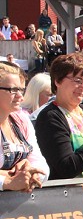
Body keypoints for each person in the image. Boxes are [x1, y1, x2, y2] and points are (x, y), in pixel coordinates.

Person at [0, 63, 49, 192]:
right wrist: (6, 181)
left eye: (21, 90)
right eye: (13, 90)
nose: (20, 96)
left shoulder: (21, 120)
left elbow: (42, 164)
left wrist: (30, 172)